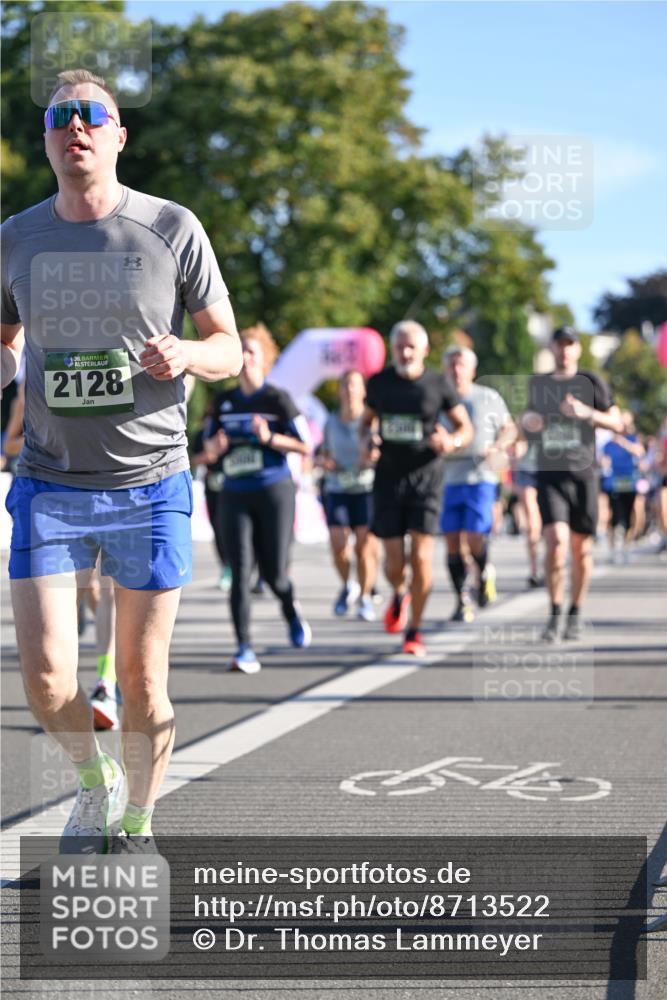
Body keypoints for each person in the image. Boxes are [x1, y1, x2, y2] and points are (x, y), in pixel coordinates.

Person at [0, 69, 242, 853]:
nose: (75, 127)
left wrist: (190, 353)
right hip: (49, 480)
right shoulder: (17, 236)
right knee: (45, 680)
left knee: (140, 682)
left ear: (116, 135)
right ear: (46, 138)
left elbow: (232, 349)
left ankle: (137, 819)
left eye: (91, 115)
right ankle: (94, 780)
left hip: (150, 483)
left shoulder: (170, 228)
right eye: (60, 117)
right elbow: (4, 345)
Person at [204, 323, 311, 673]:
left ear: (265, 360)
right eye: (242, 351)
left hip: (274, 492)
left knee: (275, 574)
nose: (246, 358)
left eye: (253, 352)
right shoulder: (223, 403)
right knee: (239, 572)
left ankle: (290, 610)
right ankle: (244, 648)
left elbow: (304, 445)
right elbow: (202, 450)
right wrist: (212, 450)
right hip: (235, 493)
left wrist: (269, 438)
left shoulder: (277, 399)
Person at [362, 320, 472, 656]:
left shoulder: (438, 384)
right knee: (394, 562)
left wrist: (451, 441)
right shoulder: (379, 383)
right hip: (389, 478)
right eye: (400, 347)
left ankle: (414, 630)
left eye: (412, 347)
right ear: (392, 348)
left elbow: (464, 427)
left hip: (427, 477)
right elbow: (366, 424)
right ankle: (399, 592)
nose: (405, 352)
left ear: (424, 351)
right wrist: (369, 442)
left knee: (422, 555)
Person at [522, 326, 622, 642]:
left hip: (583, 475)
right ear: (552, 349)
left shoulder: (591, 382)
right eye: (559, 344)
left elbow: (616, 421)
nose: (565, 350)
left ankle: (575, 612)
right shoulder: (539, 384)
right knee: (556, 542)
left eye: (570, 345)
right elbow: (526, 422)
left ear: (578, 349)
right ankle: (554, 613)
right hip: (550, 473)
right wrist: (530, 423)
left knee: (581, 551)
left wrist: (587, 413)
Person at [439, 346, 516, 623]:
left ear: (472, 370)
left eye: (461, 365)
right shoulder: (438, 399)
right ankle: (462, 600)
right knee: (451, 542)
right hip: (447, 479)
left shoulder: (488, 397)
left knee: (473, 536)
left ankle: (483, 572)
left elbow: (510, 428)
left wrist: (497, 447)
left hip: (480, 477)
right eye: (451, 365)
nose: (456, 370)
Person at [317, 370, 379, 622]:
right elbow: (323, 452)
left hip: (365, 488)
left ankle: (365, 598)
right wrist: (325, 460)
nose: (350, 390)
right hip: (338, 488)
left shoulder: (371, 420)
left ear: (363, 391)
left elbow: (378, 453)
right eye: (346, 385)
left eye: (355, 385)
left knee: (364, 549)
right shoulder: (331, 422)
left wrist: (371, 457)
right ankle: (347, 585)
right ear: (340, 390)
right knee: (339, 545)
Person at [191, 407, 232, 592]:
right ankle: (226, 566)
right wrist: (207, 456)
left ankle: (244, 568)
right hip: (212, 484)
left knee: (234, 527)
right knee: (217, 527)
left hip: (233, 484)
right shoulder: (202, 434)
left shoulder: (231, 432)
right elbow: (192, 459)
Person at [603, 410, 645, 563]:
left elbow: (640, 453)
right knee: (613, 516)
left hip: (630, 483)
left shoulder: (633, 439)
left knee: (629, 516)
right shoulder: (608, 443)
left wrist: (623, 442)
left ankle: (626, 547)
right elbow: (603, 460)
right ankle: (613, 548)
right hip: (613, 483)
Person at [511, 436, 543, 588]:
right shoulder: (526, 425)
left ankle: (553, 565)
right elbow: (516, 452)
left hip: (552, 475)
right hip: (527, 474)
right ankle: (535, 569)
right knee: (532, 524)